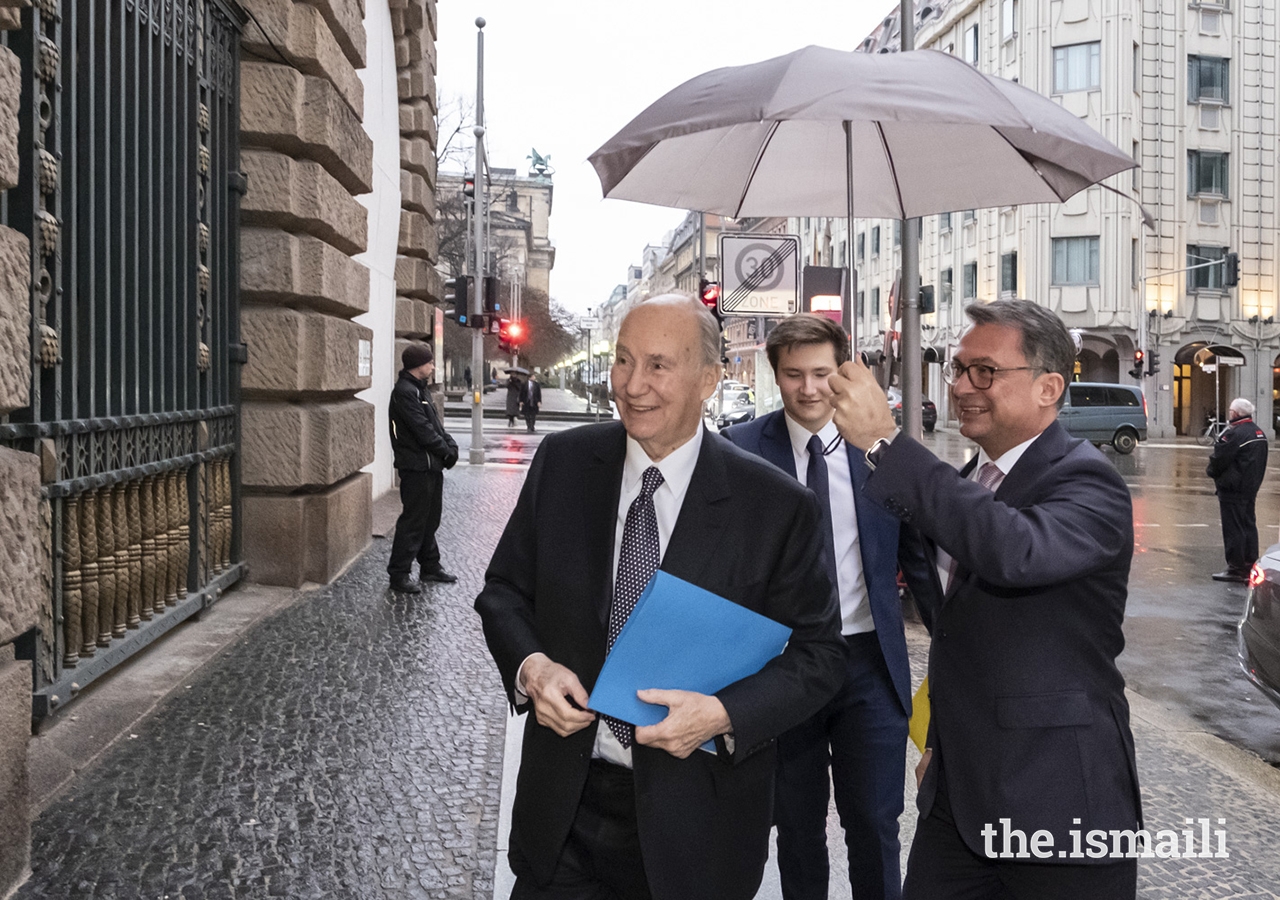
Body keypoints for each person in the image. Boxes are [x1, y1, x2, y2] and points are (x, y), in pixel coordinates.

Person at [474, 294, 846, 900]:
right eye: (623, 361)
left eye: (657, 365)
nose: (631, 385)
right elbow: (504, 592)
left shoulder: (774, 506)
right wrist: (531, 668)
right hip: (564, 808)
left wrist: (723, 714)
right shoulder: (564, 463)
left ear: (708, 380)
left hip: (698, 824)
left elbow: (820, 655)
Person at [827, 299, 1142, 900]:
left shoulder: (1088, 479)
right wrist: (941, 752)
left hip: (1059, 806)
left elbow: (1013, 550)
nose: (962, 386)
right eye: (956, 368)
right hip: (958, 800)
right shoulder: (970, 477)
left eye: (985, 372)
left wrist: (887, 446)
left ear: (1049, 387)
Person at [721, 314, 911, 900]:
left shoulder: (884, 451)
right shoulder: (739, 449)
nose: (808, 389)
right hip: (785, 667)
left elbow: (922, 555)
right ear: (774, 374)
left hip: (868, 665)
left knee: (876, 823)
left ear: (843, 371)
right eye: (793, 374)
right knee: (797, 826)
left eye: (822, 373)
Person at [387, 344, 459, 593]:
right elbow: (422, 430)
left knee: (430, 520)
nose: (433, 366)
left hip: (429, 466)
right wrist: (445, 451)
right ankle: (399, 574)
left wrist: (450, 445)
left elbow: (435, 426)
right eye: (429, 362)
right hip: (416, 467)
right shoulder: (405, 392)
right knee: (413, 522)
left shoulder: (420, 390)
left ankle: (430, 566)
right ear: (418, 365)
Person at [1207, 397, 1269, 583]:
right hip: (1250, 487)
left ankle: (1236, 568)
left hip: (1233, 488)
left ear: (1235, 413)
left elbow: (1219, 459)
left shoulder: (1234, 434)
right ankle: (1250, 563)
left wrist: (1212, 473)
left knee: (1233, 528)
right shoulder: (1259, 432)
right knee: (1248, 525)